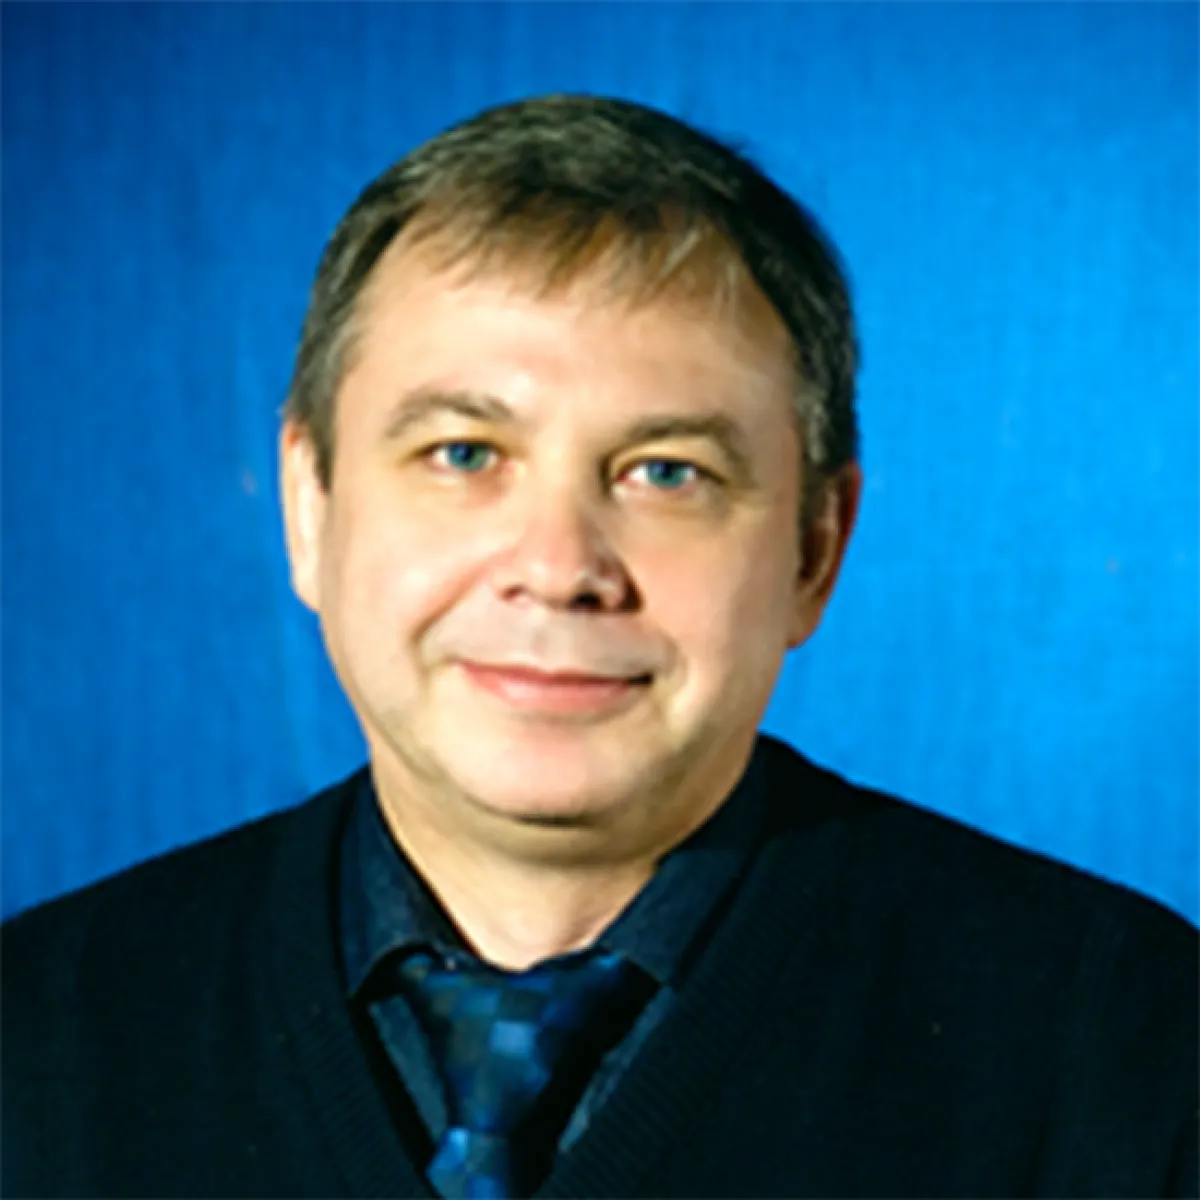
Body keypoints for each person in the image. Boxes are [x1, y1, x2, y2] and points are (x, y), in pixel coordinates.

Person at [2, 93, 1198, 1200]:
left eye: (666, 473)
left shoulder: (1126, 1040)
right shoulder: (39, 1029)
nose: (560, 565)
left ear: (813, 550)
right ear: (309, 508)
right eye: (464, 454)